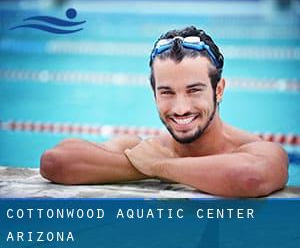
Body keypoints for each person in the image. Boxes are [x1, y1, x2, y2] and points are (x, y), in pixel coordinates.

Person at [40, 26, 288, 197]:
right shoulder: (142, 147)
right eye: (167, 92)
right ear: (154, 93)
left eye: (194, 91)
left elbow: (249, 178)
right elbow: (56, 162)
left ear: (219, 89)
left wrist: (161, 166)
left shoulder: (255, 149)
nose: (180, 109)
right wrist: (158, 164)